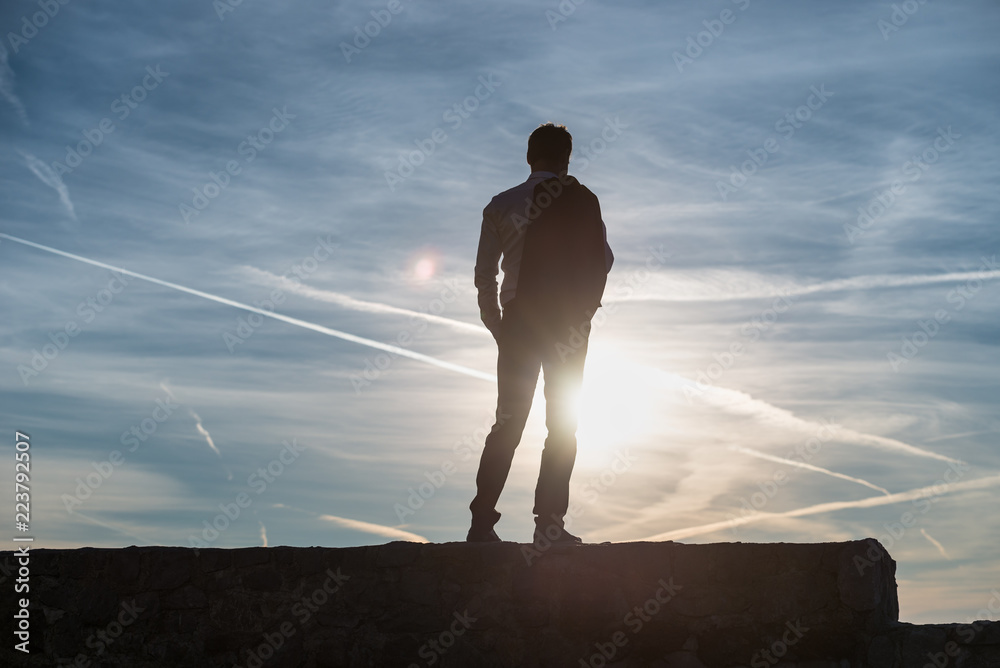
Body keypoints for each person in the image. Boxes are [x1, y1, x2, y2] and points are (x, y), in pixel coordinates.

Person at [468, 122, 614, 545]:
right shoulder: (584, 201)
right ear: (567, 158)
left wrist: (494, 320)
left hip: (517, 321)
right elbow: (602, 260)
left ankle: (481, 523)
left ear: (528, 156)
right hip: (567, 323)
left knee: (508, 423)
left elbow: (483, 274)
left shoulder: (499, 205)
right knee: (563, 424)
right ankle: (549, 525)